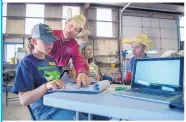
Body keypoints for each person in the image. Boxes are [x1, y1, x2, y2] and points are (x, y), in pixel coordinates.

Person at [12, 23, 87, 120]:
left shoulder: (51, 61)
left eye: (52, 41)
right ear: (34, 41)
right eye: (46, 41)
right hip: (44, 110)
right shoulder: (26, 64)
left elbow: (57, 83)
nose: (50, 45)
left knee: (92, 114)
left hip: (60, 103)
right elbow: (23, 100)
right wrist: (45, 86)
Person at [48, 14, 90, 88]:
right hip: (44, 66)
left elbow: (79, 59)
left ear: (78, 33)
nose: (71, 30)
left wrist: (82, 72)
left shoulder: (74, 46)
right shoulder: (51, 35)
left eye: (76, 30)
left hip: (60, 70)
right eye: (71, 26)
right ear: (66, 23)